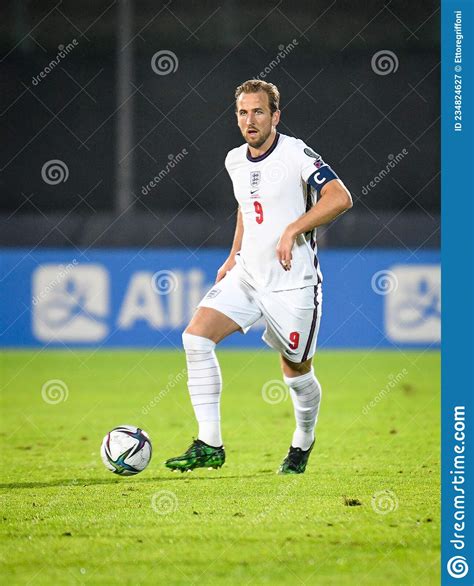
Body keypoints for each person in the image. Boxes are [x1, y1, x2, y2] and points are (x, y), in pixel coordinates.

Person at [165, 79, 352, 474]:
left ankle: (303, 440)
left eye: (259, 112)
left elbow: (340, 197)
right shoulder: (234, 159)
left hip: (293, 283)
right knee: (196, 338)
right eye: (243, 112)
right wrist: (233, 255)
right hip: (248, 275)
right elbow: (246, 209)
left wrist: (292, 230)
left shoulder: (296, 152)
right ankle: (209, 443)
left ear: (275, 116)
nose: (250, 120)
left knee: (296, 372)